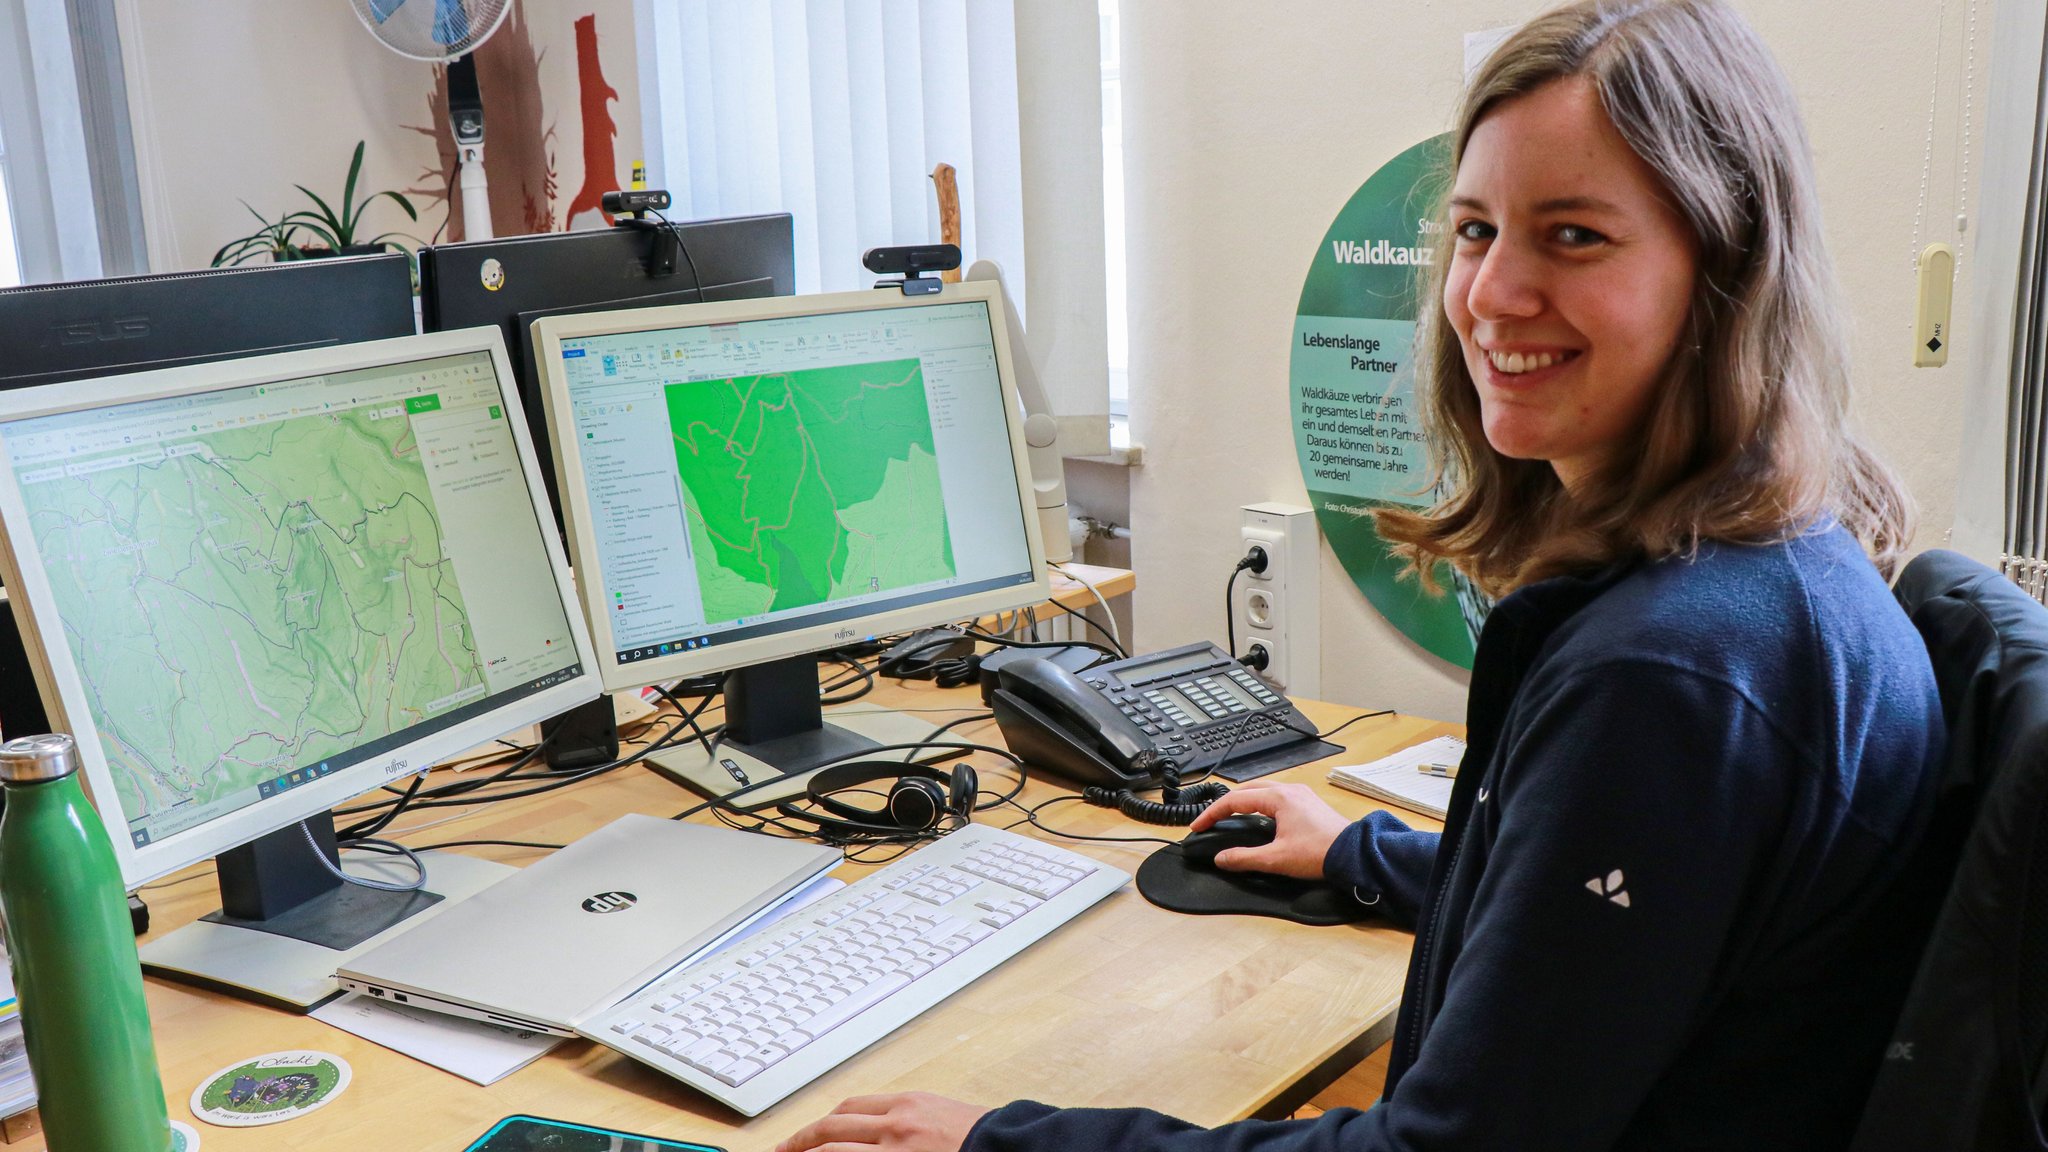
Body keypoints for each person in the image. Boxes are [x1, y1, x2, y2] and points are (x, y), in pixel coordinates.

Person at [777, 1, 1945, 1148]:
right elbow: (1620, 931)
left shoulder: (1667, 675)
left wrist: (1008, 1143)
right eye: (1477, 230)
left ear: (1724, 265)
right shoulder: (1780, 563)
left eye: (1573, 235)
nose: (1490, 296)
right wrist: (1359, 853)